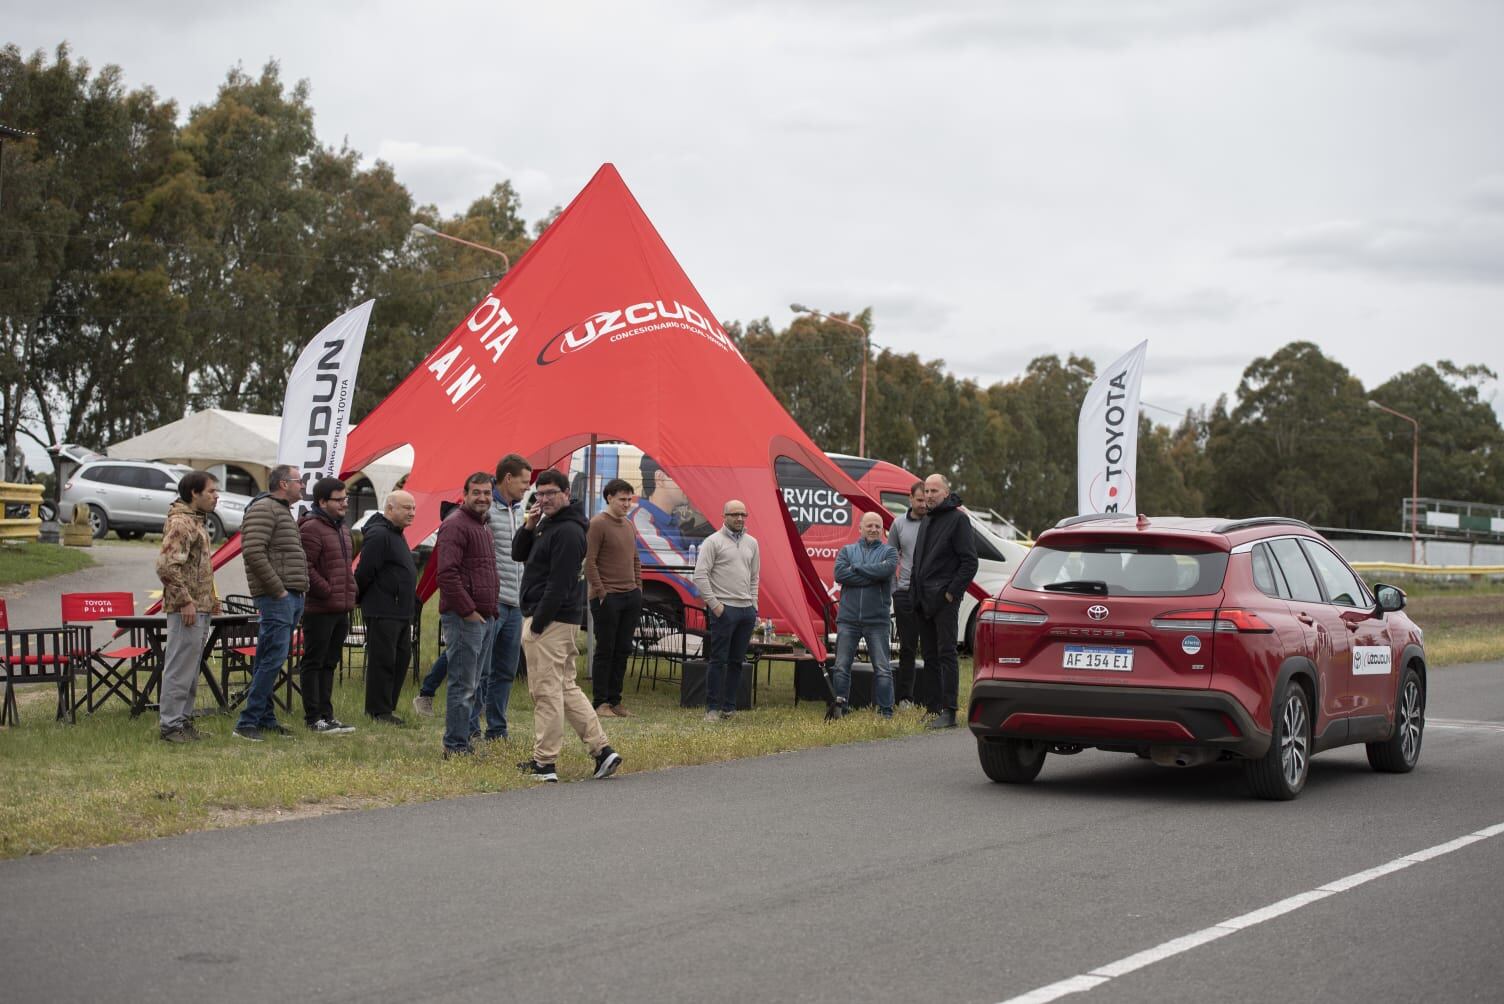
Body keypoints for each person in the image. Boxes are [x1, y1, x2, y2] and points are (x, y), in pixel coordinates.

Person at [512, 469, 622, 783]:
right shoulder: (548, 524)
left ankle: (544, 764)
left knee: (545, 693)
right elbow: (518, 553)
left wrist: (538, 624)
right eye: (539, 493)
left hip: (552, 621)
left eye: (550, 493)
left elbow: (559, 584)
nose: (543, 499)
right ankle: (603, 751)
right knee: (565, 688)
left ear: (565, 494)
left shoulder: (569, 532)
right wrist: (529, 525)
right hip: (557, 620)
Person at [234, 464, 309, 742]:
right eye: (298, 481)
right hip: (279, 596)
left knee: (268, 657)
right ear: (283, 483)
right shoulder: (265, 509)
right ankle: (247, 722)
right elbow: (253, 551)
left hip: (290, 594)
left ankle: (264, 718)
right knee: (273, 658)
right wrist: (277, 590)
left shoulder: (280, 510)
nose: (302, 485)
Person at [435, 472, 499, 757]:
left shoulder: (483, 525)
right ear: (465, 493)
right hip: (464, 618)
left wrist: (488, 611)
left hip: (485, 616)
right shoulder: (456, 525)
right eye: (477, 492)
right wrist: (468, 611)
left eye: (487, 492)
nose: (482, 497)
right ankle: (455, 746)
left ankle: (463, 740)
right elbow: (446, 575)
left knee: (474, 684)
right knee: (463, 685)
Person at [154, 470, 222, 743]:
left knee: (191, 668)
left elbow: (199, 568)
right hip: (187, 609)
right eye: (210, 492)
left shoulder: (198, 523)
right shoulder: (181, 523)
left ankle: (183, 720)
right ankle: (170, 725)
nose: (216, 497)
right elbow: (166, 566)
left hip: (201, 606)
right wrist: (185, 602)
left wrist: (211, 599)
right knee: (180, 666)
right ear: (194, 493)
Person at [910, 473, 978, 729]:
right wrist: (914, 592)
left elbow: (970, 562)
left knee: (946, 654)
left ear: (946, 493)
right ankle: (933, 707)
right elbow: (919, 559)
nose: (928, 496)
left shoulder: (958, 520)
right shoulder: (927, 519)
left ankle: (949, 710)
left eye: (934, 491)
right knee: (929, 656)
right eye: (926, 491)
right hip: (922, 600)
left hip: (944, 600)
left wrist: (951, 593)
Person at [476, 453, 531, 740]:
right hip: (493, 600)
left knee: (505, 671)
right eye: (523, 482)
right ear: (507, 478)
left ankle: (497, 729)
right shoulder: (486, 509)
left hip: (516, 602)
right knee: (481, 670)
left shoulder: (521, 510)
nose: (527, 487)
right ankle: (472, 727)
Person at [692, 500, 760, 723]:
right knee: (718, 660)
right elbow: (700, 576)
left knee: (737, 661)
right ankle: (712, 709)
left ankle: (729, 708)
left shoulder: (752, 543)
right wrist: (716, 605)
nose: (739, 518)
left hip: (746, 611)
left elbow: (754, 576)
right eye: (734, 514)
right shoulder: (713, 542)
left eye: (743, 514)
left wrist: (754, 605)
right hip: (724, 609)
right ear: (724, 516)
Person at [298, 477, 357, 734]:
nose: (344, 503)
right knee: (314, 662)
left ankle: (327, 714)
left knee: (330, 662)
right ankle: (313, 718)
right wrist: (327, 590)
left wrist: (350, 590)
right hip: (320, 608)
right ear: (322, 502)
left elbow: (344, 567)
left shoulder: (342, 528)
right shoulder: (311, 527)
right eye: (339, 499)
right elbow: (305, 566)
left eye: (346, 498)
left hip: (340, 607)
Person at [356, 489, 417, 724]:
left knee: (401, 658)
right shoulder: (379, 534)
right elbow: (365, 570)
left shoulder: (397, 533)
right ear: (390, 509)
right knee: (383, 661)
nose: (412, 513)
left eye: (413, 508)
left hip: (401, 609)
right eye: (406, 508)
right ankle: (377, 711)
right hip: (383, 608)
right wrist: (360, 597)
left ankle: (387, 707)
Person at [585, 477, 643, 718]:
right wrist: (601, 592)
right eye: (622, 499)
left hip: (630, 596)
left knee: (623, 650)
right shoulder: (597, 524)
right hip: (607, 598)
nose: (627, 504)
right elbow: (590, 562)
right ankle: (600, 702)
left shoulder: (628, 525)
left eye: (629, 499)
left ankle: (615, 700)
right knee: (605, 650)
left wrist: (638, 587)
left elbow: (635, 559)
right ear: (609, 498)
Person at [832, 511, 899, 718]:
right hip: (848, 620)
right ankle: (840, 708)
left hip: (877, 621)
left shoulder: (890, 553)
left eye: (877, 526)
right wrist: (872, 574)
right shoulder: (847, 550)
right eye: (869, 525)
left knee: (882, 668)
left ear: (883, 530)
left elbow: (885, 572)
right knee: (841, 667)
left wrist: (857, 569)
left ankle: (886, 711)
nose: (873, 529)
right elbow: (840, 574)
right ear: (860, 528)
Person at [887, 480, 928, 709]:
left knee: (933, 647)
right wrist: (895, 590)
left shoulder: (934, 522)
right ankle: (905, 697)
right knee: (908, 648)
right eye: (920, 499)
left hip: (929, 594)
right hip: (904, 594)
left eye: (926, 500)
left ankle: (934, 696)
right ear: (910, 499)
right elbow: (891, 558)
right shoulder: (898, 524)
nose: (923, 504)